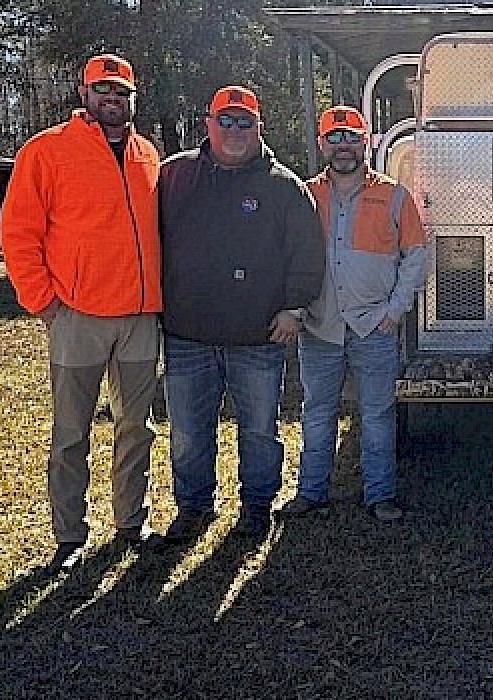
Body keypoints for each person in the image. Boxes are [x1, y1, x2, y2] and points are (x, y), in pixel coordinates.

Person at [0, 54, 162, 574]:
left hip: (139, 317)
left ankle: (131, 522)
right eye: (102, 90)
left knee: (136, 427)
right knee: (71, 433)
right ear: (84, 94)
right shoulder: (47, 151)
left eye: (121, 92)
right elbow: (18, 232)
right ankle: (70, 535)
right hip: (77, 317)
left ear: (133, 99)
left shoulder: (147, 154)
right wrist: (44, 302)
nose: (112, 99)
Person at [158, 86, 325, 542]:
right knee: (188, 433)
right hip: (187, 333)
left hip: (258, 336)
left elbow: (307, 253)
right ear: (208, 124)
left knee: (258, 432)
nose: (234, 130)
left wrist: (294, 307)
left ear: (258, 128)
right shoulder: (173, 177)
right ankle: (193, 507)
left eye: (244, 122)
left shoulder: (283, 186)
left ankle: (257, 506)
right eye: (225, 120)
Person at [279, 105, 431, 523]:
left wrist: (394, 311)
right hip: (320, 325)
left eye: (351, 137)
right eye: (334, 137)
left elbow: (417, 255)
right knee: (318, 413)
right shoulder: (305, 195)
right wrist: (296, 308)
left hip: (374, 327)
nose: (343, 145)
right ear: (321, 144)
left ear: (366, 143)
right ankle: (311, 493)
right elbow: (288, 256)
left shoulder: (395, 195)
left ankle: (380, 496)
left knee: (378, 415)